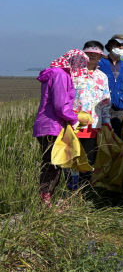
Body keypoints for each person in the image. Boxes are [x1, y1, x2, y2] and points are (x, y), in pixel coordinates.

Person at [33, 50, 85, 205]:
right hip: (53, 126)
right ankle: (45, 202)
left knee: (50, 164)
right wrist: (74, 119)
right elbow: (60, 104)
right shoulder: (61, 75)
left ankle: (46, 199)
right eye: (79, 63)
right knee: (53, 165)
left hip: (46, 125)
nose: (79, 68)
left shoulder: (54, 73)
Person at [72, 41, 111, 175]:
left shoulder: (103, 77)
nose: (93, 56)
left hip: (94, 126)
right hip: (73, 125)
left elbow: (106, 102)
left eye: (97, 54)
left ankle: (84, 191)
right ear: (83, 54)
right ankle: (70, 189)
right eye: (90, 53)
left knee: (89, 160)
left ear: (101, 56)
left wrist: (107, 121)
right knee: (71, 159)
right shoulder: (73, 74)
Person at [98, 34, 123, 137]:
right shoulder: (99, 63)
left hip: (120, 110)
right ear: (110, 45)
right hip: (101, 108)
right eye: (118, 44)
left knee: (118, 139)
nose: (121, 48)